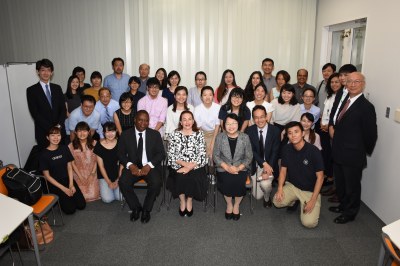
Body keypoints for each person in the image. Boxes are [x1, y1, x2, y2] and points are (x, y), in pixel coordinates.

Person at [329, 72, 377, 224]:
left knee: (352, 187)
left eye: (357, 81)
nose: (353, 84)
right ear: (346, 84)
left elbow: (371, 134)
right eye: (350, 81)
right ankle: (343, 205)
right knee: (341, 184)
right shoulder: (345, 100)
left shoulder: (366, 107)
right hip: (338, 152)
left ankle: (350, 213)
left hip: (353, 155)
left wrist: (361, 151)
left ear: (363, 84)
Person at [273, 121, 324, 228]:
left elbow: (320, 177)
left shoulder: (313, 151)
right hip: (293, 186)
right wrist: (280, 188)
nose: (293, 135)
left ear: (303, 133)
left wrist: (313, 200)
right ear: (287, 136)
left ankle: (309, 201)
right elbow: (283, 171)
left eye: (296, 132)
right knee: (276, 202)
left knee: (309, 223)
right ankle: (295, 200)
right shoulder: (286, 149)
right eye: (290, 133)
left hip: (309, 191)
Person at [118, 110, 165, 224]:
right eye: (140, 120)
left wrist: (149, 165)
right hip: (133, 165)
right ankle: (135, 207)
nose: (143, 123)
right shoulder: (125, 134)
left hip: (149, 166)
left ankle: (146, 210)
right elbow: (120, 153)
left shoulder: (155, 134)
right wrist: (130, 165)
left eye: (146, 121)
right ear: (135, 120)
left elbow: (161, 154)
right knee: (123, 182)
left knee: (156, 182)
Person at [167, 111, 208, 217]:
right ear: (180, 122)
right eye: (184, 119)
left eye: (190, 119)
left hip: (196, 165)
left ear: (193, 121)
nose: (187, 122)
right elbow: (171, 155)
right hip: (178, 164)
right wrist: (185, 165)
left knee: (193, 178)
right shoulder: (174, 134)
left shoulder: (199, 134)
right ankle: (182, 201)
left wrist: (190, 167)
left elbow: (202, 154)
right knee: (180, 177)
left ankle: (189, 200)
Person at [213, 113, 253, 221]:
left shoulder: (245, 137)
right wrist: (227, 167)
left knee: (239, 182)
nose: (231, 126)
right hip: (224, 167)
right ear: (224, 125)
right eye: (228, 124)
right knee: (227, 181)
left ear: (238, 124)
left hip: (240, 167)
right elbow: (215, 156)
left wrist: (238, 168)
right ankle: (229, 204)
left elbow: (249, 156)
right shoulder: (220, 137)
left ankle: (237, 205)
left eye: (234, 123)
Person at [39, 126, 86, 214]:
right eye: (53, 135)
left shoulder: (64, 148)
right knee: (70, 210)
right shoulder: (43, 154)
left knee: (81, 205)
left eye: (58, 135)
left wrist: (71, 184)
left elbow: (69, 166)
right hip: (55, 183)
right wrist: (64, 189)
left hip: (67, 179)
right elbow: (47, 176)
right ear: (47, 137)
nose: (56, 138)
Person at [27, 58, 66, 149]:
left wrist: (58, 126)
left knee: (61, 159)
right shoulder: (31, 90)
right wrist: (51, 130)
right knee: (46, 159)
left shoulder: (57, 88)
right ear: (38, 72)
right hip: (43, 132)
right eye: (43, 70)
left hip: (60, 132)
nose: (46, 73)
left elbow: (63, 109)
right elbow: (35, 113)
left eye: (48, 70)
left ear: (52, 72)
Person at [246, 106, 280, 208]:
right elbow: (251, 151)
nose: (259, 120)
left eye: (262, 117)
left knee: (265, 186)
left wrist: (267, 168)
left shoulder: (275, 131)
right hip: (255, 163)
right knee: (256, 196)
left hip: (270, 164)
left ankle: (267, 197)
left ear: (266, 117)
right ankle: (260, 183)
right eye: (256, 117)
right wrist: (263, 163)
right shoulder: (249, 131)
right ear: (253, 119)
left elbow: (275, 152)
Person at [69, 121, 100, 202]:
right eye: (79, 131)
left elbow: (98, 160)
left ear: (89, 132)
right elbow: (72, 163)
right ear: (75, 132)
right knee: (81, 196)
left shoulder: (95, 143)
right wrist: (80, 176)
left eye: (84, 131)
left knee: (93, 194)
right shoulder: (71, 146)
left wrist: (92, 175)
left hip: (93, 172)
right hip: (77, 173)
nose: (82, 133)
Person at [319, 73, 341, 189]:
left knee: (333, 154)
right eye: (332, 82)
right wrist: (322, 123)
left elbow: (339, 116)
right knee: (325, 153)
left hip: (332, 129)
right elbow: (325, 111)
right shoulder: (329, 95)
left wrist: (329, 126)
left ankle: (331, 177)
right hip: (324, 128)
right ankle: (327, 175)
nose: (334, 84)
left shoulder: (342, 97)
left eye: (337, 82)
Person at [94, 122, 122, 203]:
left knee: (120, 197)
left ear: (116, 131)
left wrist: (118, 180)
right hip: (104, 175)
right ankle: (106, 186)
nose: (110, 134)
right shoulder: (99, 145)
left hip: (118, 174)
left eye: (112, 131)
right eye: (107, 132)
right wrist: (109, 182)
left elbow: (122, 164)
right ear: (103, 133)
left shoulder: (120, 143)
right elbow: (101, 166)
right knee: (107, 199)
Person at [194, 86, 221, 158]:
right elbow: (199, 129)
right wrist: (206, 145)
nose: (207, 97)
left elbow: (217, 126)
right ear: (201, 97)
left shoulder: (218, 107)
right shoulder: (197, 109)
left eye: (210, 95)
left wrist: (212, 145)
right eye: (205, 95)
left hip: (216, 133)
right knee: (204, 154)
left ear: (213, 96)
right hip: (203, 134)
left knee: (213, 154)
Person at [64, 75, 82, 141]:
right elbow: (66, 111)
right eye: (73, 82)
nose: (75, 84)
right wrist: (73, 119)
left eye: (77, 82)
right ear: (69, 83)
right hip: (69, 121)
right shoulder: (65, 96)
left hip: (80, 121)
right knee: (71, 141)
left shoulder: (81, 95)